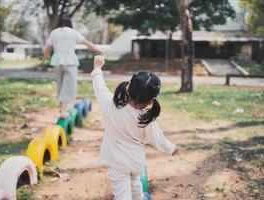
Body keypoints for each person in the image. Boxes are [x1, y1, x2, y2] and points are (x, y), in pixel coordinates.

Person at [91, 55, 180, 200]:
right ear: (151, 101)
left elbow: (99, 87)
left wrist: (97, 68)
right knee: (135, 183)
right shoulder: (146, 119)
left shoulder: (110, 104)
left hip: (117, 161)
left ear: (128, 87)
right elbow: (158, 139)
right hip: (135, 161)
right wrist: (172, 148)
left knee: (121, 194)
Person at [42, 16, 104, 118]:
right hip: (70, 61)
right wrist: (99, 49)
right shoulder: (73, 32)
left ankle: (61, 108)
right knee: (68, 87)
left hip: (57, 62)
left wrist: (44, 59)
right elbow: (87, 43)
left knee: (61, 86)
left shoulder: (54, 32)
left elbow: (48, 48)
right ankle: (63, 110)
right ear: (69, 22)